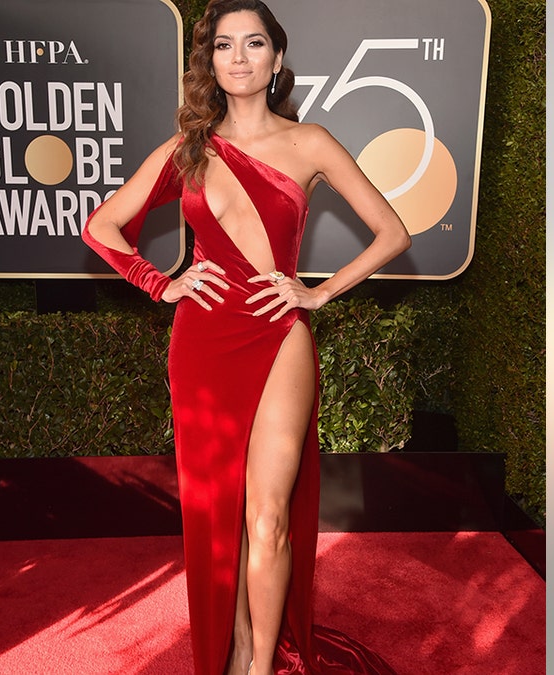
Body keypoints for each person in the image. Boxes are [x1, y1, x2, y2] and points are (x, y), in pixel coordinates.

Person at [82, 1, 410, 673]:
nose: (239, 56)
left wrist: (316, 291)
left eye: (253, 43)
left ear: (276, 59)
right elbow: (102, 225)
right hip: (202, 340)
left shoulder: (309, 142)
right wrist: (159, 280)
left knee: (267, 515)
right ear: (211, 64)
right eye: (225, 46)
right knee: (216, 521)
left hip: (279, 334)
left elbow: (393, 232)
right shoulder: (191, 151)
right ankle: (231, 647)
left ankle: (262, 662)